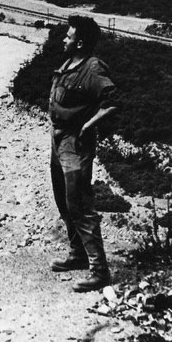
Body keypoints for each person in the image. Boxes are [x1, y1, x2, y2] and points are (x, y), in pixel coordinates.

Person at [48, 15, 115, 293]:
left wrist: (88, 126)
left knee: (79, 204)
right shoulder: (68, 64)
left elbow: (112, 102)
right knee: (63, 200)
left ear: (81, 42)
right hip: (58, 139)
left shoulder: (92, 67)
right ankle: (78, 255)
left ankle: (100, 271)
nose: (65, 38)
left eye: (69, 36)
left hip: (75, 144)